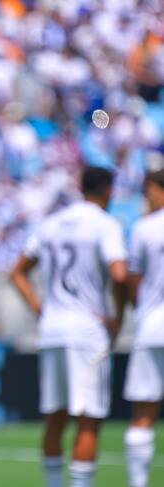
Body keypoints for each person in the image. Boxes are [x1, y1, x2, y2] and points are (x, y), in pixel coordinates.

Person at [10, 166, 128, 487]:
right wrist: (118, 316)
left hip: (52, 330)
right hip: (87, 330)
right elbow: (119, 274)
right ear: (108, 191)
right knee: (88, 420)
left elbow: (17, 272)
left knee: (55, 417)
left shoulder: (50, 224)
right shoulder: (105, 224)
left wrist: (40, 309)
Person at [122, 168, 164, 487]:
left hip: (152, 325)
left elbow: (133, 282)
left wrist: (140, 311)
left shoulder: (144, 227)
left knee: (144, 412)